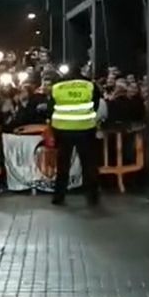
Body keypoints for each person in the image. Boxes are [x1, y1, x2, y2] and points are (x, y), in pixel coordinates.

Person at [48, 70, 102, 206]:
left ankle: (59, 196)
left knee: (63, 165)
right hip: (86, 129)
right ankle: (92, 197)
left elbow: (50, 108)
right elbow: (96, 105)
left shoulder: (57, 87)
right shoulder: (89, 85)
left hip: (62, 129)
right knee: (89, 164)